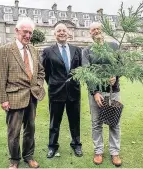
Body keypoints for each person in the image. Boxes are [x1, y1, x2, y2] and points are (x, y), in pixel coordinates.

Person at [0, 17, 45, 169]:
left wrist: (38, 85)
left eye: (30, 32)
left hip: (32, 97)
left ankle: (28, 156)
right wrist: (3, 99)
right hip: (14, 97)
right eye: (25, 32)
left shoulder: (34, 50)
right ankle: (14, 160)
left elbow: (41, 71)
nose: (28, 35)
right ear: (16, 31)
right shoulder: (5, 50)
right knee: (14, 132)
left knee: (30, 129)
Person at [82, 22, 122, 167]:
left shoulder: (114, 46)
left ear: (102, 30)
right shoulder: (86, 51)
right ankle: (98, 151)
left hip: (113, 91)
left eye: (98, 28)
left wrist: (115, 76)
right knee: (96, 122)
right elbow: (87, 72)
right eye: (93, 30)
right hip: (96, 93)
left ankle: (114, 152)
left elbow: (121, 66)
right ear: (90, 33)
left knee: (114, 122)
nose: (96, 31)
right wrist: (95, 92)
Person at [41, 23, 83, 158]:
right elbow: (45, 72)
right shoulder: (48, 51)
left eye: (64, 30)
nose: (62, 33)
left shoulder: (77, 50)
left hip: (74, 92)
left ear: (68, 33)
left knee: (75, 121)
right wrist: (53, 84)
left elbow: (81, 70)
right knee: (54, 122)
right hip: (56, 92)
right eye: (58, 31)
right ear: (55, 34)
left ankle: (76, 144)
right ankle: (52, 146)